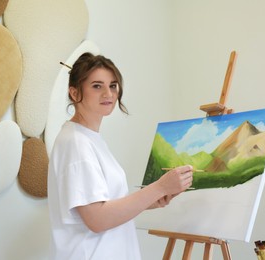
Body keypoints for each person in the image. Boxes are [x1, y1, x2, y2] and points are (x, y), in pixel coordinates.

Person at [47, 52, 193, 260]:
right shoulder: (76, 143)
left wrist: (152, 199)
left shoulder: (89, 139)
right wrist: (159, 187)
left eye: (113, 85)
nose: (108, 94)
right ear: (74, 92)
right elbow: (97, 219)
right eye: (97, 86)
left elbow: (106, 204)